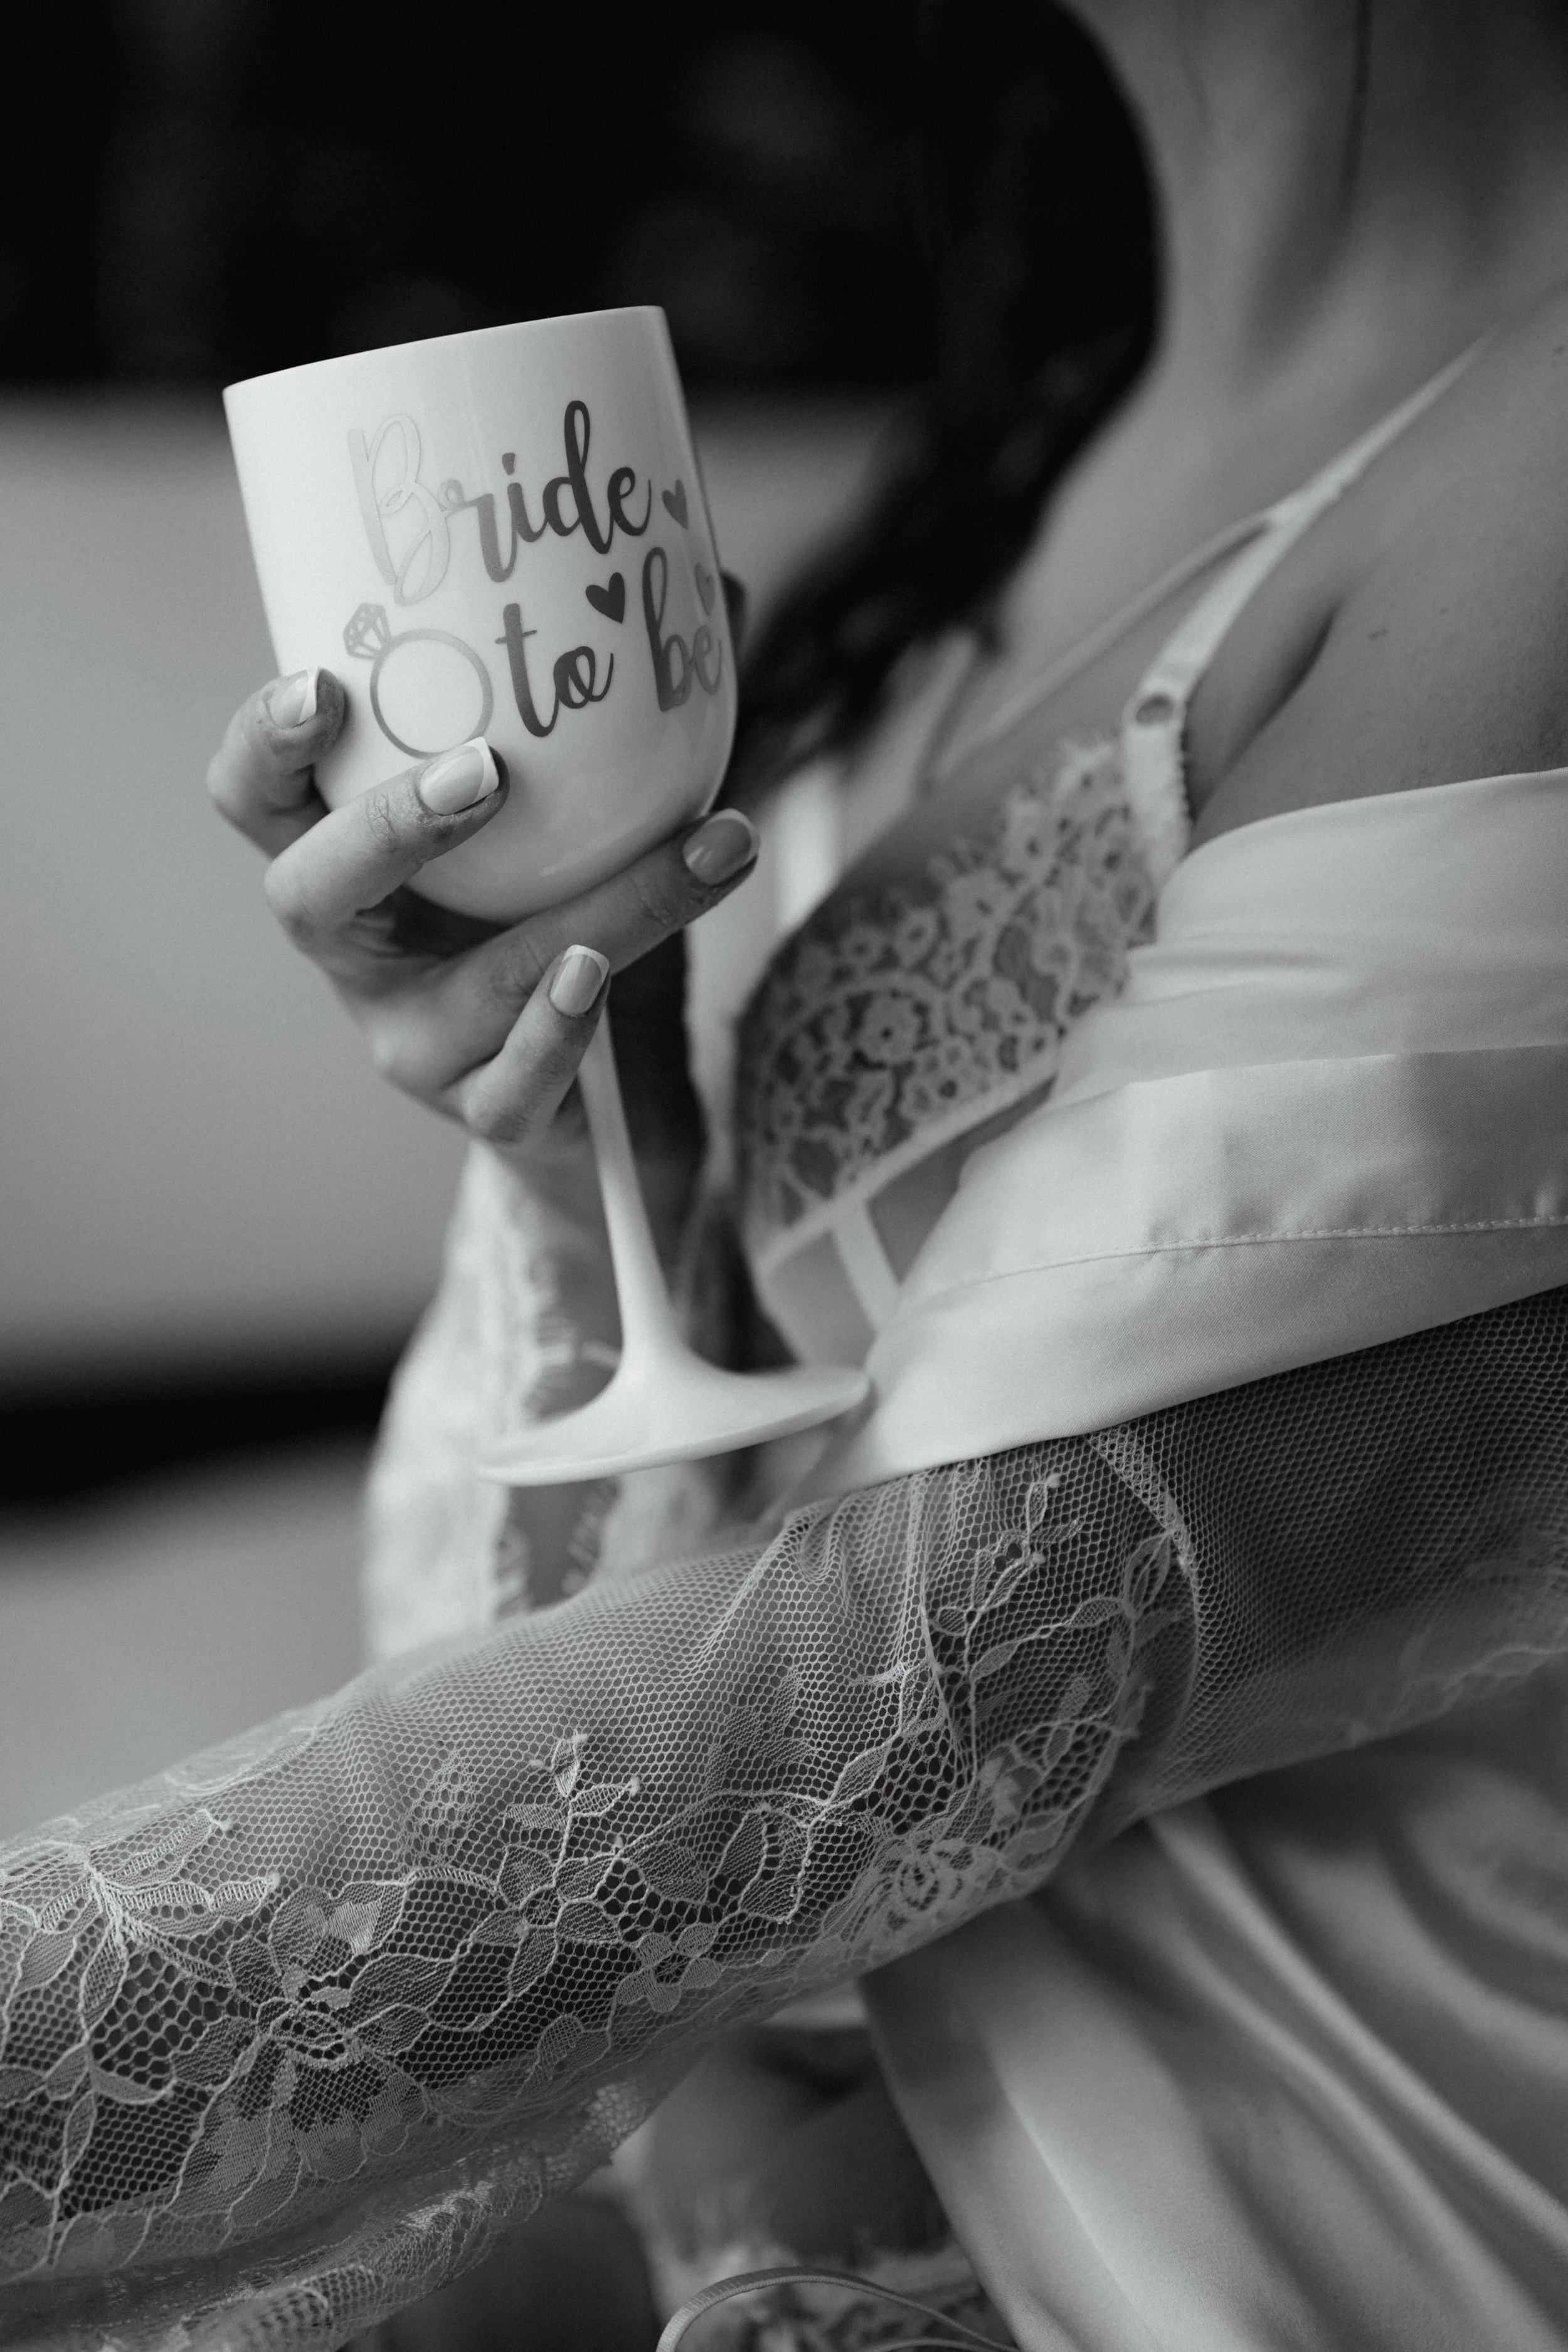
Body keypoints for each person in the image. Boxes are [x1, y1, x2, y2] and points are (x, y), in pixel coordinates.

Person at [8, 3, 1568, 2346]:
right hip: (744, 2159)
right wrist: (589, 1154)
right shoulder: (1021, 469)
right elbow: (494, 1619)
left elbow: (963, 1655)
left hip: (1234, 2189)